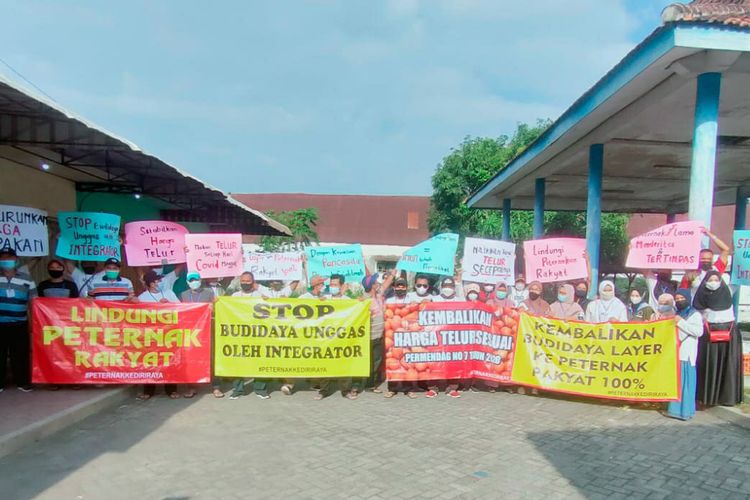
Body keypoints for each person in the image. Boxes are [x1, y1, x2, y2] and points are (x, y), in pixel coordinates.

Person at [692, 271, 743, 407]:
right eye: (710, 280)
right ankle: (706, 397)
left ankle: (727, 397)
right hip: (708, 334)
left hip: (728, 333)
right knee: (709, 364)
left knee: (728, 365)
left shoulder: (728, 291)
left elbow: (738, 277)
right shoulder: (700, 296)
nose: (713, 283)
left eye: (716, 279)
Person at [654, 290, 703, 421]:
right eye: (678, 298)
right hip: (676, 353)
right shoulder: (677, 313)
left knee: (686, 383)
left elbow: (698, 331)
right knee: (677, 384)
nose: (680, 300)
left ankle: (685, 411)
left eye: (682, 298)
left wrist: (680, 322)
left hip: (687, 354)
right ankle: (674, 410)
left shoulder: (694, 314)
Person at [135, 270, 180, 400]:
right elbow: (139, 315)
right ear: (151, 283)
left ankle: (171, 390)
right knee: (150, 362)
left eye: (160, 280)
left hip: (169, 334)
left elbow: (182, 309)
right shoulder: (143, 297)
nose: (160, 283)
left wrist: (170, 304)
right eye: (157, 281)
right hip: (151, 335)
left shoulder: (169, 293)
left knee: (169, 361)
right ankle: (149, 390)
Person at [180, 272, 223, 399]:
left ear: (200, 280)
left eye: (196, 279)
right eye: (191, 280)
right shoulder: (184, 295)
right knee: (192, 358)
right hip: (192, 332)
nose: (194, 282)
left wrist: (213, 306)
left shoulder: (209, 293)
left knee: (212, 358)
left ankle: (216, 387)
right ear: (188, 282)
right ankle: (192, 387)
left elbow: (217, 310)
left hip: (208, 330)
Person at [229, 271, 271, 400]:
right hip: (239, 335)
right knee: (237, 361)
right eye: (243, 281)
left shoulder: (260, 296)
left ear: (253, 282)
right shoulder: (235, 296)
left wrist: (268, 301)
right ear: (240, 282)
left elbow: (271, 308)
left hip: (257, 334)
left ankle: (260, 389)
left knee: (260, 360)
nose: (245, 283)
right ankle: (238, 389)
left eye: (248, 281)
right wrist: (218, 302)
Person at [281, 275, 326, 396]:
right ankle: (289, 384)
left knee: (317, 357)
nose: (324, 286)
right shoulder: (304, 297)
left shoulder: (326, 297)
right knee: (296, 358)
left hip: (318, 335)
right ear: (317, 285)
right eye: (322, 283)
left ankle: (315, 381)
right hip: (303, 334)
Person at [0, 248, 36, 393]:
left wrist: (33, 322)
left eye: (9, 258)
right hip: (0, 324)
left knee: (20, 354)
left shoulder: (26, 278)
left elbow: (34, 302)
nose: (6, 260)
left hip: (20, 323)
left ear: (16, 259)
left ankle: (22, 382)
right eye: (3, 258)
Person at [316, 273, 355, 399]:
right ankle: (323, 391)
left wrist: (360, 302)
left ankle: (346, 390)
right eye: (331, 284)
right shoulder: (325, 298)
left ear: (342, 286)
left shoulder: (348, 301)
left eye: (335, 285)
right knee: (325, 364)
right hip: (326, 338)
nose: (332, 287)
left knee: (344, 365)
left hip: (342, 338)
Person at [426, 276, 463, 398]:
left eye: (450, 286)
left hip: (454, 338)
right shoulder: (433, 299)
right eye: (446, 286)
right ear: (441, 288)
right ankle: (433, 387)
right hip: (437, 336)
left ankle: (452, 387)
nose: (448, 289)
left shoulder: (460, 301)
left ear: (454, 288)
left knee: (453, 362)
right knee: (434, 362)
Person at [680, 228, 731, 294]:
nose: (706, 261)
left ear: (712, 259)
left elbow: (726, 250)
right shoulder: (692, 274)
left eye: (709, 259)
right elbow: (682, 292)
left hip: (714, 303)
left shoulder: (717, 269)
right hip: (697, 303)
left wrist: (709, 234)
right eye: (703, 259)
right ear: (698, 259)